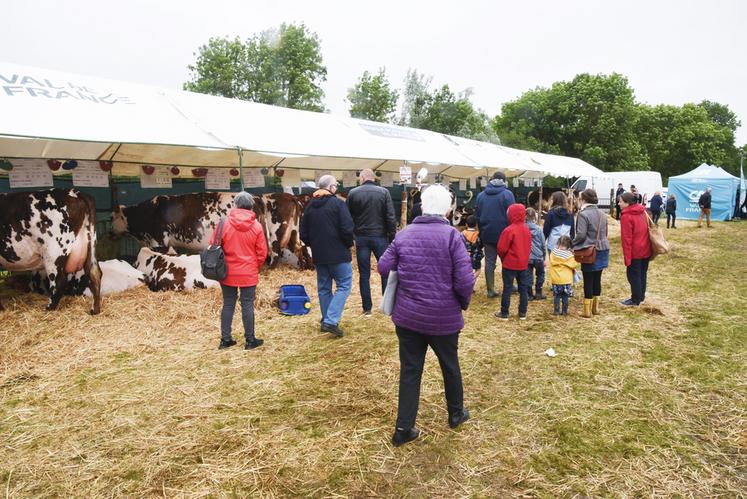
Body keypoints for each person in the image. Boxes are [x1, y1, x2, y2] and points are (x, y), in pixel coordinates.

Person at [377, 185, 475, 447]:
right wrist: (462, 303)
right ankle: (456, 414)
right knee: (450, 366)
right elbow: (465, 280)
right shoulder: (453, 237)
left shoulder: (404, 234)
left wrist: (405, 277)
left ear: (421, 205)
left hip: (408, 317)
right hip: (443, 318)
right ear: (447, 208)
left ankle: (403, 428)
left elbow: (383, 265)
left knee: (410, 370)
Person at [300, 175, 354, 337]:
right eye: (335, 185)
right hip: (339, 254)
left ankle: (326, 319)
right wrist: (347, 244)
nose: (336, 188)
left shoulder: (309, 206)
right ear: (330, 187)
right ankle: (331, 321)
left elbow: (303, 233)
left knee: (324, 288)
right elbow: (347, 228)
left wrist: (314, 245)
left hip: (319, 255)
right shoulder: (338, 204)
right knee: (344, 285)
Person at [215, 191, 269, 351]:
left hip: (227, 271)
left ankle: (225, 340)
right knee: (247, 304)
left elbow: (214, 244)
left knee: (228, 303)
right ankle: (250, 340)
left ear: (236, 205)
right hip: (248, 272)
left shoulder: (223, 223)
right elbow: (262, 253)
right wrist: (254, 266)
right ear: (251, 205)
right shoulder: (257, 226)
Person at [346, 168, 398, 316]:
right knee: (385, 272)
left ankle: (367, 309)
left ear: (362, 178)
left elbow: (348, 218)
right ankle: (386, 306)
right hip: (380, 237)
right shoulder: (384, 192)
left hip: (362, 237)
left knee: (364, 274)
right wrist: (392, 237)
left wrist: (353, 235)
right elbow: (390, 217)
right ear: (373, 178)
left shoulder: (353, 193)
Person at [572, 188, 610, 318]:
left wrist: (572, 243)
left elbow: (581, 235)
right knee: (597, 278)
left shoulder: (583, 214)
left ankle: (587, 311)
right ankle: (595, 308)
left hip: (589, 250)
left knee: (588, 279)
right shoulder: (603, 214)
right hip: (603, 248)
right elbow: (606, 233)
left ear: (583, 199)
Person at [494, 203, 532, 320]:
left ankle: (505, 312)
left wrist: (503, 258)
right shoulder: (526, 229)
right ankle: (522, 313)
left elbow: (501, 248)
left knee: (507, 288)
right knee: (523, 289)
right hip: (523, 264)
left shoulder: (509, 230)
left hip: (510, 264)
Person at [619, 192, 652, 306]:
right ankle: (641, 296)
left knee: (633, 275)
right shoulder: (643, 211)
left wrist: (627, 258)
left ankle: (635, 299)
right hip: (646, 248)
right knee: (642, 273)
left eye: (620, 201)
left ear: (627, 203)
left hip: (635, 251)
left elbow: (627, 239)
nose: (619, 203)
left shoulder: (626, 216)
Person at [549, 235, 578, 315]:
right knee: (565, 296)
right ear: (569, 245)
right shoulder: (569, 255)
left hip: (556, 279)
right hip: (566, 280)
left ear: (558, 243)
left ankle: (556, 310)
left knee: (557, 296)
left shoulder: (554, 252)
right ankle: (564, 311)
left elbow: (551, 261)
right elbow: (574, 264)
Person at [543, 191, 575, 255]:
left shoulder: (551, 213)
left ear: (554, 200)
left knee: (554, 263)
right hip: (566, 244)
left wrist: (543, 242)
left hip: (553, 245)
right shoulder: (570, 214)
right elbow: (572, 232)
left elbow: (546, 230)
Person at [525, 208, 546, 300]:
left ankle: (529, 294)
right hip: (538, 257)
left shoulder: (523, 229)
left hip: (527, 257)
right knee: (540, 274)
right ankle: (538, 292)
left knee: (528, 275)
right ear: (535, 217)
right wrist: (544, 256)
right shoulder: (538, 229)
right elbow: (543, 244)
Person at [461, 215, 483, 282]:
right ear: (476, 225)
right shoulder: (478, 234)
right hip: (476, 257)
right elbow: (481, 245)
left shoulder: (462, 234)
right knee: (478, 270)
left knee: (466, 271)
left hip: (464, 257)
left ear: (466, 224)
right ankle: (471, 281)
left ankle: (468, 283)